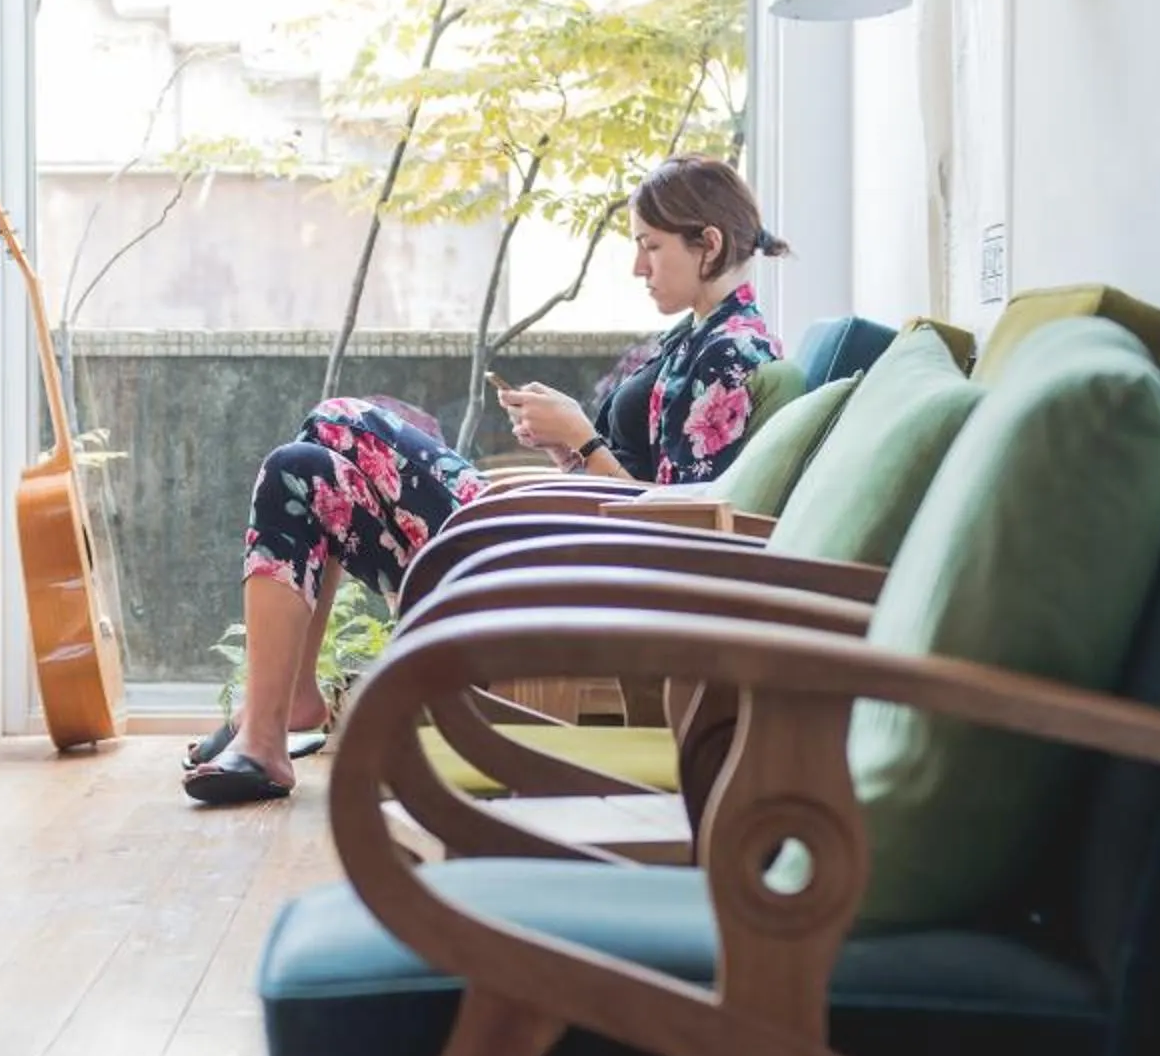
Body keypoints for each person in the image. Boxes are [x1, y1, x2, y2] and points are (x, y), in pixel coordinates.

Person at [183, 154, 788, 804]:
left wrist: (581, 435)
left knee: (339, 418)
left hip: (562, 562)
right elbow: (630, 482)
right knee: (296, 473)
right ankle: (272, 729)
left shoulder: (730, 354)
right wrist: (566, 448)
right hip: (554, 535)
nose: (638, 266)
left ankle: (276, 718)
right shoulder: (694, 337)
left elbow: (680, 521)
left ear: (710, 243)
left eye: (651, 247)